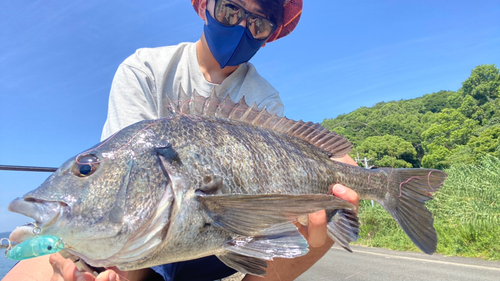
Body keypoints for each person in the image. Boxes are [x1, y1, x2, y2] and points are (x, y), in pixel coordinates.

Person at [3, 1, 359, 281]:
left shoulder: (264, 98)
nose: (241, 27)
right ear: (205, 4)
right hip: (146, 232)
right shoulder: (145, 68)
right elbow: (136, 190)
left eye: (258, 23)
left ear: (269, 34)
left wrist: (337, 166)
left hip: (218, 244)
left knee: (326, 216)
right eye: (230, 9)